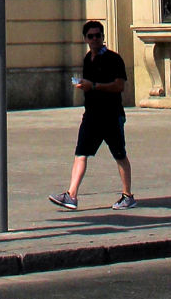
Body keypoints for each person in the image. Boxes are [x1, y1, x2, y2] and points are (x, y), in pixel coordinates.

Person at [49, 19, 135, 212]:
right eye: (91, 36)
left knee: (119, 154)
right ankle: (71, 195)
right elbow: (90, 83)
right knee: (81, 153)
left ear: (103, 37)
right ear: (85, 39)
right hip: (91, 115)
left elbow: (119, 85)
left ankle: (127, 195)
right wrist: (84, 85)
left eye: (98, 35)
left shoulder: (114, 59)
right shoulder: (88, 59)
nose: (95, 39)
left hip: (111, 115)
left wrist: (94, 86)